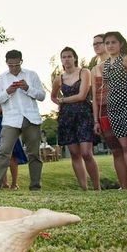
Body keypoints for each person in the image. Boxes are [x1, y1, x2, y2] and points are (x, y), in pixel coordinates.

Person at [91, 34, 127, 189]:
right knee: (125, 146)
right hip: (113, 108)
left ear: (120, 43)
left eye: (113, 42)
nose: (110, 45)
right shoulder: (104, 66)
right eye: (107, 43)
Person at [0, 50, 46, 191]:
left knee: (34, 153)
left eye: (16, 64)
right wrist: (8, 91)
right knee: (4, 152)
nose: (13, 67)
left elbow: (42, 96)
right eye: (10, 65)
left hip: (31, 118)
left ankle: (35, 186)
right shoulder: (1, 79)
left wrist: (27, 88)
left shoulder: (31, 75)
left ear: (21, 61)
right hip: (10, 119)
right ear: (6, 62)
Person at [51, 47, 100, 191]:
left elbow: (82, 95)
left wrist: (63, 100)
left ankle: (97, 188)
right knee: (74, 153)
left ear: (75, 58)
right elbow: (53, 97)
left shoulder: (84, 72)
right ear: (61, 60)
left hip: (84, 114)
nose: (66, 59)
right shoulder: (59, 79)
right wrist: (59, 102)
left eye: (69, 56)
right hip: (66, 117)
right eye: (64, 57)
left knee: (86, 152)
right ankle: (84, 188)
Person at [0, 73, 27, 189]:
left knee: (11, 154)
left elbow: (5, 109)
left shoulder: (9, 94)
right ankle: (3, 182)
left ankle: (14, 183)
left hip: (7, 123)